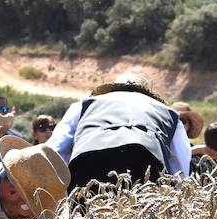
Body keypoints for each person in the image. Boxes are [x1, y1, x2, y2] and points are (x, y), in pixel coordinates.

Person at [48, 73, 191, 190]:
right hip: (146, 163)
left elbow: (56, 150)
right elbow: (180, 166)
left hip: (87, 162)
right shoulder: (169, 114)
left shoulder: (83, 105)